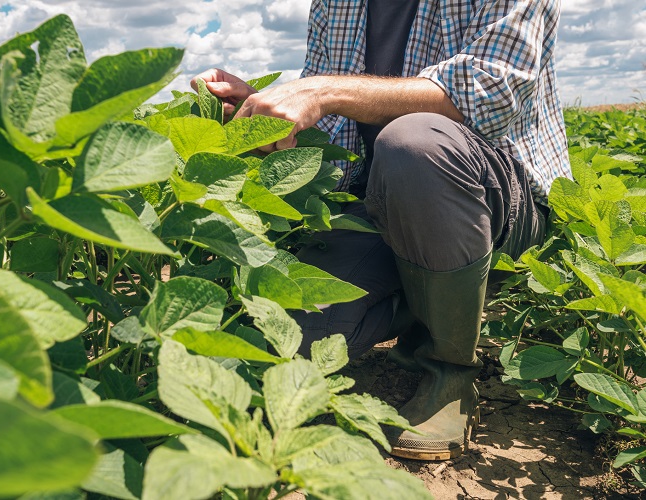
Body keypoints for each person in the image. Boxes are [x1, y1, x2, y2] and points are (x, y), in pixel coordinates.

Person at [192, 0, 570, 461]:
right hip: (376, 204)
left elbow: (488, 92)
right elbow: (335, 129)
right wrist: (268, 118)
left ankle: (449, 371)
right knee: (295, 335)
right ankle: (431, 293)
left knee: (413, 143)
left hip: (494, 201)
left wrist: (321, 90)